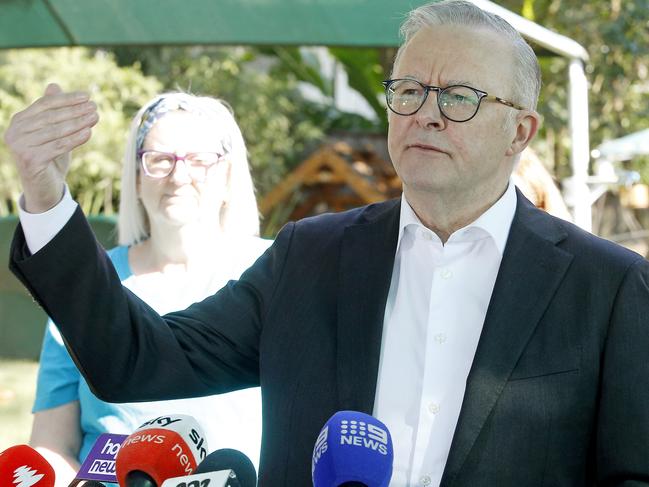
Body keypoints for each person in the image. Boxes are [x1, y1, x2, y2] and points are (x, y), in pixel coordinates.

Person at [6, 1, 649, 485]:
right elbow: (136, 358)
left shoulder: (609, 287)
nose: (426, 112)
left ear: (520, 131)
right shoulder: (307, 258)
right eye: (409, 91)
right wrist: (45, 197)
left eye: (458, 97)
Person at [25, 92, 270, 485]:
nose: (178, 175)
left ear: (228, 174)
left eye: (199, 159)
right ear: (136, 177)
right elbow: (52, 446)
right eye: (159, 159)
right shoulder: (90, 284)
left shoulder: (279, 271)